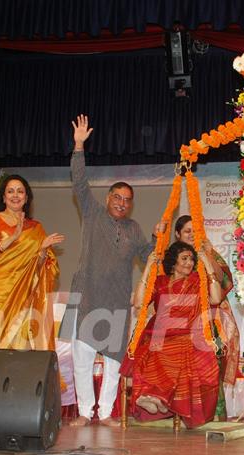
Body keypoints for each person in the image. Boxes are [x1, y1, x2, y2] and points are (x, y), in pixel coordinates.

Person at [64, 115, 157, 427]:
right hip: (87, 295)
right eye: (117, 197)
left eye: (127, 200)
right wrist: (79, 145)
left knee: (115, 361)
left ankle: (104, 413)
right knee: (82, 359)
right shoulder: (93, 214)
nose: (121, 203)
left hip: (117, 301)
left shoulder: (134, 229)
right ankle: (82, 412)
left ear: (131, 206)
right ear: (108, 199)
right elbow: (79, 183)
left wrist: (158, 237)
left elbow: (149, 256)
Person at [120, 241, 223, 428]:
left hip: (188, 333)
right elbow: (138, 303)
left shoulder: (197, 281)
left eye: (192, 259)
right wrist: (148, 268)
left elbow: (216, 298)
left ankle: (154, 396)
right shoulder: (159, 282)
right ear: (173, 262)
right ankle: (152, 397)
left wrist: (207, 265)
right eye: (184, 258)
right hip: (158, 332)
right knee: (154, 350)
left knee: (178, 352)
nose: (189, 263)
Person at [0, 175, 65, 350]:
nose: (15, 195)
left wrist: (44, 250)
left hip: (24, 295)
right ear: (3, 197)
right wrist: (12, 238)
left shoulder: (36, 228)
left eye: (20, 191)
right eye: (10, 191)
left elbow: (37, 270)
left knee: (21, 348)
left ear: (26, 197)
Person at [173, 215, 239, 420]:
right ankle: (179, 414)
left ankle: (213, 416)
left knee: (211, 364)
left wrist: (207, 256)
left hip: (209, 318)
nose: (192, 235)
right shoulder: (171, 257)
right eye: (187, 231)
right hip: (178, 319)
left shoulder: (208, 252)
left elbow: (224, 282)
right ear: (177, 234)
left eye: (196, 230)